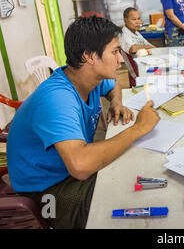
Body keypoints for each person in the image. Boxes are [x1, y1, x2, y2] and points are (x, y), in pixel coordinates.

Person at [7, 16, 160, 228]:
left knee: (135, 175)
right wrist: (139, 128)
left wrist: (116, 102)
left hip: (66, 170)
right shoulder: (58, 99)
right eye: (115, 52)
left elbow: (113, 84)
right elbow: (80, 166)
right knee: (125, 205)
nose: (121, 60)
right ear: (89, 56)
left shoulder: (88, 76)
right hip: (45, 190)